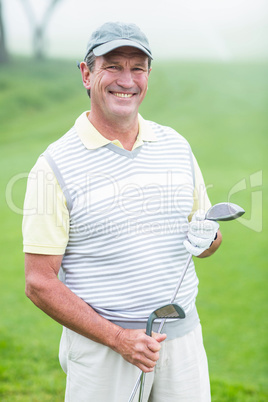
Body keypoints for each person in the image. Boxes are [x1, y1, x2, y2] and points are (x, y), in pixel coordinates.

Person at [23, 21, 222, 402]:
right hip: (102, 351)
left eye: (137, 67)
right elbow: (39, 282)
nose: (126, 80)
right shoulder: (52, 167)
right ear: (87, 73)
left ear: (148, 75)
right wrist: (118, 338)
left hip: (180, 343)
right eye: (113, 66)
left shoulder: (176, 146)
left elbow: (207, 235)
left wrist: (211, 238)